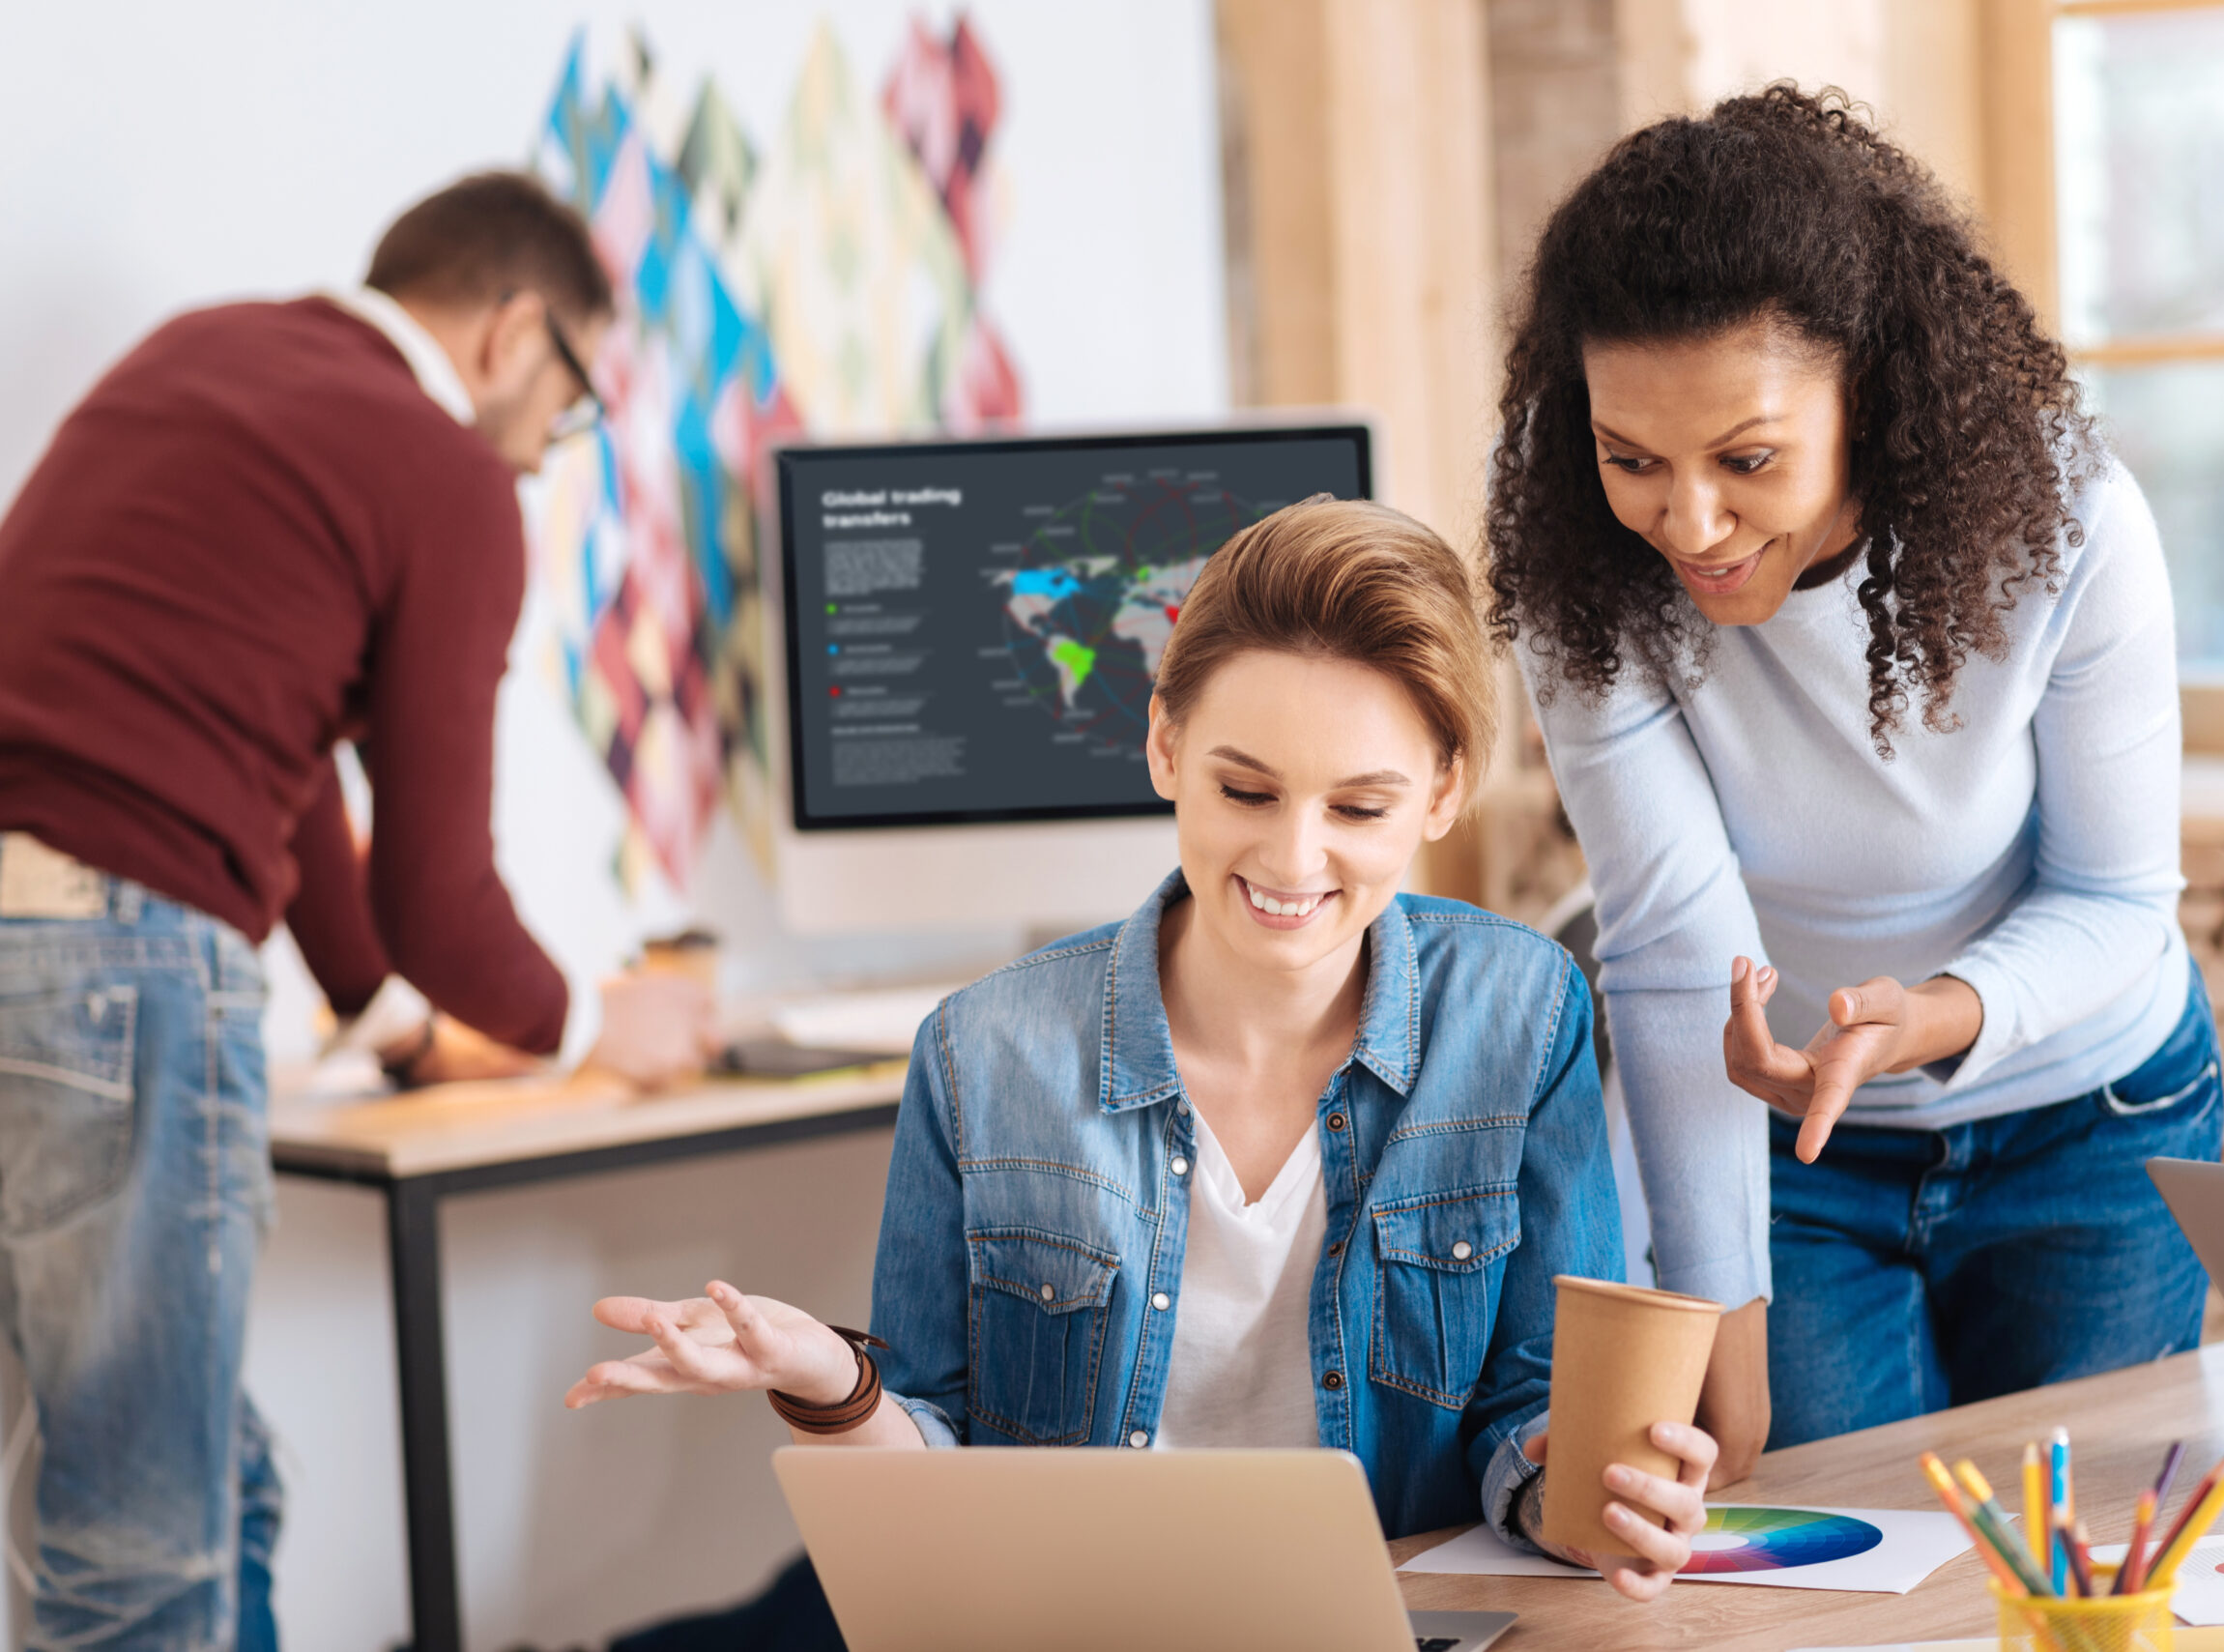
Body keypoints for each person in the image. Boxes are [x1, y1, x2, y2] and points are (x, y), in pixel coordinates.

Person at [566, 498, 1719, 1621]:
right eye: (1244, 788)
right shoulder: (984, 1051)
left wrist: (1589, 1495)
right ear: (1164, 743)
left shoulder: (1520, 1011)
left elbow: (1527, 1409)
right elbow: (932, 1474)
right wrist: (833, 1380)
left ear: (1443, 790)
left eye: (1359, 807)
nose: (1292, 854)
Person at [0, 171, 715, 1649]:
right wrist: (593, 1025)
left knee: (207, 1491)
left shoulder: (198, 357)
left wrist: (392, 1027)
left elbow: (284, 764)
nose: (542, 452)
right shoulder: (440, 470)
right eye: (570, 397)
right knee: (141, 1561)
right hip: (116, 976)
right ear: (517, 331)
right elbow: (443, 900)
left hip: (42, 961)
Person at [1487, 87, 2220, 1467]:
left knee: (2068, 1577)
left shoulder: (2065, 523)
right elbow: (1668, 940)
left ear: (1870, 399)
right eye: (1632, 455)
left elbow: (2119, 904)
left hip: (2093, 1123)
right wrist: (1720, 1315)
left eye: (1746, 459)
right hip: (1798, 1154)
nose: (1686, 524)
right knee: (1824, 1570)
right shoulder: (1576, 533)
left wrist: (1938, 1014)